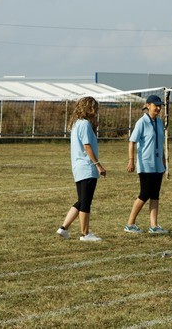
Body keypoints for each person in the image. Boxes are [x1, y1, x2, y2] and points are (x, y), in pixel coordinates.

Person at [57, 96, 107, 242]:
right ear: (89, 109)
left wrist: (95, 128)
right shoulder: (84, 124)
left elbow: (88, 141)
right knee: (86, 202)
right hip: (87, 167)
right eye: (94, 109)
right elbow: (87, 146)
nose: (96, 112)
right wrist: (98, 165)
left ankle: (63, 228)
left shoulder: (77, 124)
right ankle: (85, 234)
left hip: (78, 168)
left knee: (81, 200)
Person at [124, 95, 168, 234]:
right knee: (144, 194)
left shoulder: (160, 122)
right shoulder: (141, 122)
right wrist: (131, 160)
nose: (158, 108)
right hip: (145, 164)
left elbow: (160, 143)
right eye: (156, 105)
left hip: (157, 165)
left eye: (160, 106)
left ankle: (154, 226)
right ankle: (130, 224)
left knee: (155, 195)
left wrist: (163, 160)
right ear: (148, 105)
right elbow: (132, 141)